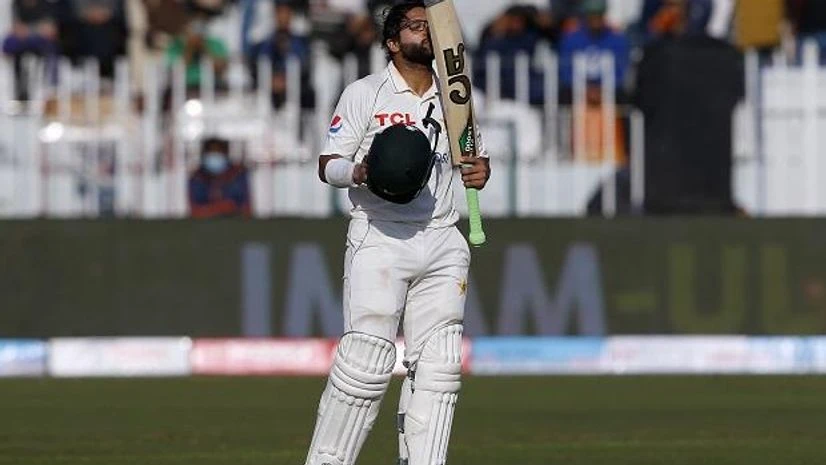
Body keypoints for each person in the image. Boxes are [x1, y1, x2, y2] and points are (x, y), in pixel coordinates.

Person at [305, 2, 490, 465]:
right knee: (366, 362)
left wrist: (481, 170)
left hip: (444, 234)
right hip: (382, 235)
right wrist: (363, 171)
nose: (426, 33)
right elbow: (327, 167)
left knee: (441, 365)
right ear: (392, 42)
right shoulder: (365, 93)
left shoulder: (456, 97)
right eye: (415, 27)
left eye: (430, 27)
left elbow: (471, 159)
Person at [188, 137, 252, 218]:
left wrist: (229, 208)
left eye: (218, 152)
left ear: (225, 153)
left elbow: (246, 209)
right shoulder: (197, 177)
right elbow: (195, 210)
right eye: (211, 152)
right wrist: (218, 208)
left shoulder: (238, 175)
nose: (215, 155)